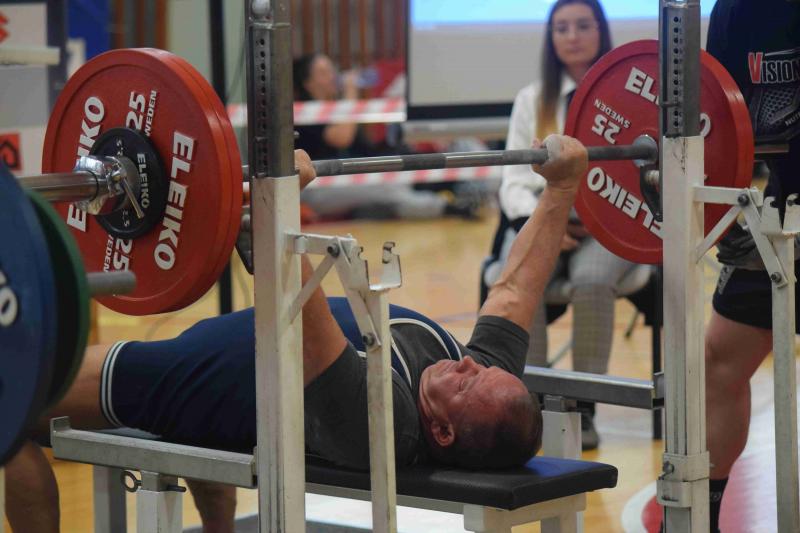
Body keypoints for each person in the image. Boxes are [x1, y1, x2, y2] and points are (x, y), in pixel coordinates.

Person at [6, 137, 589, 532]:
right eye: (480, 367)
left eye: (466, 384)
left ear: (441, 431)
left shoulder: (381, 423)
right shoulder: (482, 386)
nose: (468, 364)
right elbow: (514, 290)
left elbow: (297, 303)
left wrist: (278, 203)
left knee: (9, 413)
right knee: (202, 430)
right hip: (224, 377)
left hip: (180, 380)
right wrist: (562, 188)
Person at [485, 0, 632, 450]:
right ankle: (530, 403)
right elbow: (513, 180)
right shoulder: (532, 100)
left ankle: (584, 407)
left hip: (604, 227)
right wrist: (545, 223)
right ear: (551, 38)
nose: (572, 36)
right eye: (562, 28)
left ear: (601, 31)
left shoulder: (625, 98)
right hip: (544, 218)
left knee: (592, 279)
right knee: (520, 279)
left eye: (583, 26)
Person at [702, 2, 800, 532]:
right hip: (786, 207)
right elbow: (717, 120)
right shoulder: (739, 10)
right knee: (720, 359)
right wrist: (722, 214)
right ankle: (700, 516)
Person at [293, 53, 479, 220]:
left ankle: (455, 192)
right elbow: (342, 139)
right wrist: (351, 93)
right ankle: (448, 207)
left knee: (396, 169)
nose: (333, 77)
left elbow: (365, 151)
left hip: (350, 180)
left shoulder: (336, 110)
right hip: (317, 187)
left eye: (332, 70)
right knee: (388, 189)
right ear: (307, 83)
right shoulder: (303, 114)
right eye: (324, 73)